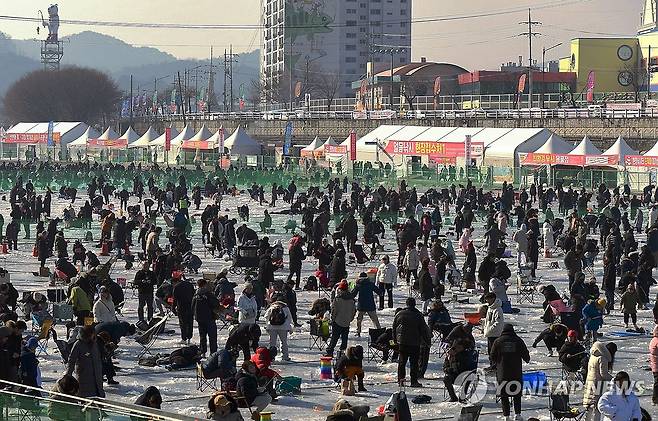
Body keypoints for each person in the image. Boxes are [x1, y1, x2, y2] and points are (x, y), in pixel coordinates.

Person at [489, 324, 530, 421]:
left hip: (502, 373)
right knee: (516, 395)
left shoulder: (498, 341)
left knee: (504, 395)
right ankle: (518, 415)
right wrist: (525, 358)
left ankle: (506, 416)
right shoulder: (518, 340)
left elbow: (492, 356)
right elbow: (526, 356)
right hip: (516, 373)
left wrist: (497, 363)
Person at [392, 297, 430, 387]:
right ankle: (413, 381)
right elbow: (423, 329)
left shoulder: (399, 314)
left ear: (406, 304)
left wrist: (395, 340)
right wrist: (427, 341)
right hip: (415, 342)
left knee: (402, 362)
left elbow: (394, 328)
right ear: (414, 304)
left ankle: (401, 380)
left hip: (402, 342)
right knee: (414, 363)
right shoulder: (418, 315)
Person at [65, 325, 105, 398]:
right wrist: (68, 375)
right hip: (84, 375)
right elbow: (71, 360)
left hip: (97, 374)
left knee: (98, 393)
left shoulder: (95, 343)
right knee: (85, 395)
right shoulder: (78, 344)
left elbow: (98, 357)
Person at [584, 341, 616, 421]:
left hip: (589, 381)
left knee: (589, 406)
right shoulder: (602, 358)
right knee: (596, 407)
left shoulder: (593, 355)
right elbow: (603, 374)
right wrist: (614, 379)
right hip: (598, 384)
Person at [326, 280, 356, 357]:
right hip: (346, 322)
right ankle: (342, 353)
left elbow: (334, 311)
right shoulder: (352, 300)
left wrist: (333, 319)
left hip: (337, 321)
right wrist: (350, 319)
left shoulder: (337, 299)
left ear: (341, 290)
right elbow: (353, 312)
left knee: (334, 338)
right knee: (344, 339)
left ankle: (330, 352)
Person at [192, 279, 219, 356]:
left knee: (202, 336)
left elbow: (192, 306)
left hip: (199, 318)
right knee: (212, 336)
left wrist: (195, 315)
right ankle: (213, 353)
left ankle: (203, 351)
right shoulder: (208, 294)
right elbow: (215, 304)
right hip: (209, 317)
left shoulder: (195, 294)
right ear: (204, 285)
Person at [352, 272, 381, 337]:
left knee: (359, 320)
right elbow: (378, 291)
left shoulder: (358, 285)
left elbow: (353, 294)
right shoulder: (370, 284)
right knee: (375, 320)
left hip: (361, 305)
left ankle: (358, 331)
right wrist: (381, 292)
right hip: (370, 304)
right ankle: (379, 331)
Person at [264, 297, 292, 361]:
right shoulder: (286, 308)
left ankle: (271, 357)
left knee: (272, 343)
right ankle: (285, 356)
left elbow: (266, 317)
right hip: (283, 327)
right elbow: (289, 318)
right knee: (283, 342)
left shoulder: (272, 307)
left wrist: (268, 325)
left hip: (272, 327)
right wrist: (288, 326)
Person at [172, 273, 195, 345]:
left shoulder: (176, 287)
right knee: (190, 323)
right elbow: (194, 295)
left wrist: (173, 308)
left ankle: (184, 338)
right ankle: (189, 337)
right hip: (190, 306)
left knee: (183, 323)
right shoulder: (189, 284)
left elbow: (175, 299)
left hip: (181, 307)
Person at [483, 292, 504, 370]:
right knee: (490, 351)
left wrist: (490, 329)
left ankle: (495, 366)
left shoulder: (498, 309)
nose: (487, 301)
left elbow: (498, 323)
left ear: (492, 299)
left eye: (488, 299)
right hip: (489, 334)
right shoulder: (490, 308)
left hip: (495, 334)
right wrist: (484, 326)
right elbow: (488, 320)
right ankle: (492, 364)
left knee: (494, 351)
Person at [650, 326, 658, 405]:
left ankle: (655, 398)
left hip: (654, 365)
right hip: (657, 365)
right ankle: (655, 398)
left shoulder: (653, 340)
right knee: (657, 383)